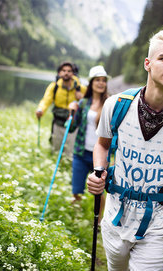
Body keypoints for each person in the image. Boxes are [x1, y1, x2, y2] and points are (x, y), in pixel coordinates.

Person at [87, 29, 163, 270]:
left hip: (159, 224)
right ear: (147, 64)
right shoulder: (116, 105)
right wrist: (99, 171)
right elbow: (102, 144)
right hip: (116, 217)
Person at [67, 65, 109, 209]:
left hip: (100, 155)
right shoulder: (83, 103)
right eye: (97, 80)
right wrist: (71, 112)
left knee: (99, 192)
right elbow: (71, 128)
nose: (101, 83)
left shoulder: (110, 104)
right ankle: (76, 216)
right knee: (76, 189)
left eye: (103, 80)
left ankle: (98, 222)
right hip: (80, 152)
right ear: (91, 83)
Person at [36, 62, 86, 155]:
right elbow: (46, 100)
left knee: (70, 152)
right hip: (58, 122)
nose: (66, 73)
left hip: (73, 124)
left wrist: (82, 97)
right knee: (56, 149)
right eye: (63, 70)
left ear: (73, 73)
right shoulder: (54, 86)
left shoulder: (80, 88)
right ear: (59, 73)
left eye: (69, 71)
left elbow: (91, 101)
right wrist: (40, 109)